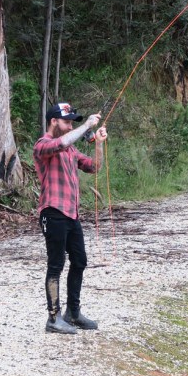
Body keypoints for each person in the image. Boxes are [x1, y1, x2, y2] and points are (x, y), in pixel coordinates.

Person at [33, 102, 108, 334]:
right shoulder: (43, 145)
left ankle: (72, 313)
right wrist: (86, 125)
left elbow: (95, 167)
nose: (68, 126)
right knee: (56, 265)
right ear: (54, 121)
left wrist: (99, 144)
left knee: (80, 261)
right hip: (52, 212)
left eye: (71, 123)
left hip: (71, 214)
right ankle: (53, 318)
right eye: (66, 122)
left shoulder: (71, 150)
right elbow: (62, 142)